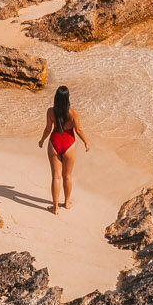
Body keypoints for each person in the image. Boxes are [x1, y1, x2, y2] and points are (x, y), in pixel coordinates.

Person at [38, 84, 90, 213]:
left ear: (56, 97)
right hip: (69, 145)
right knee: (67, 176)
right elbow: (78, 130)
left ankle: (55, 208)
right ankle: (67, 203)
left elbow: (48, 129)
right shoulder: (73, 112)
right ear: (68, 98)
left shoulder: (50, 111)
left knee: (56, 177)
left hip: (54, 143)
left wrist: (42, 140)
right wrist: (86, 142)